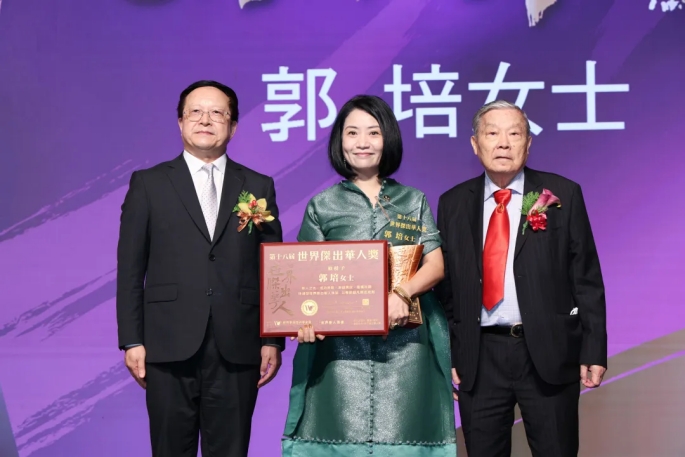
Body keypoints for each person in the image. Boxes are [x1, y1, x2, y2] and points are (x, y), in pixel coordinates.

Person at [281, 95, 457, 456]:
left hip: (406, 348)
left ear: (387, 138)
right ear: (340, 141)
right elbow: (305, 281)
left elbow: (436, 265)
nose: (363, 142)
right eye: (352, 133)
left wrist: (402, 293)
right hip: (339, 355)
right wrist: (305, 320)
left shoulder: (413, 200)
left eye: (373, 132)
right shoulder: (322, 205)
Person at [116, 80, 284, 457]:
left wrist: (273, 339)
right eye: (195, 112)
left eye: (217, 113)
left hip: (238, 342)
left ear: (233, 126)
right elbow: (129, 268)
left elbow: (273, 269)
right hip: (166, 342)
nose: (205, 120)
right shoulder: (148, 184)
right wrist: (132, 339)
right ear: (180, 122)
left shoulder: (258, 185)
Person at [435, 100, 607, 457]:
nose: (503, 143)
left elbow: (586, 278)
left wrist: (594, 349)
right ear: (475, 144)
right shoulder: (452, 203)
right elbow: (446, 288)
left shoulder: (561, 194)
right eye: (492, 133)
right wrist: (448, 352)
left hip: (548, 351)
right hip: (479, 357)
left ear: (528, 144)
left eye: (514, 134)